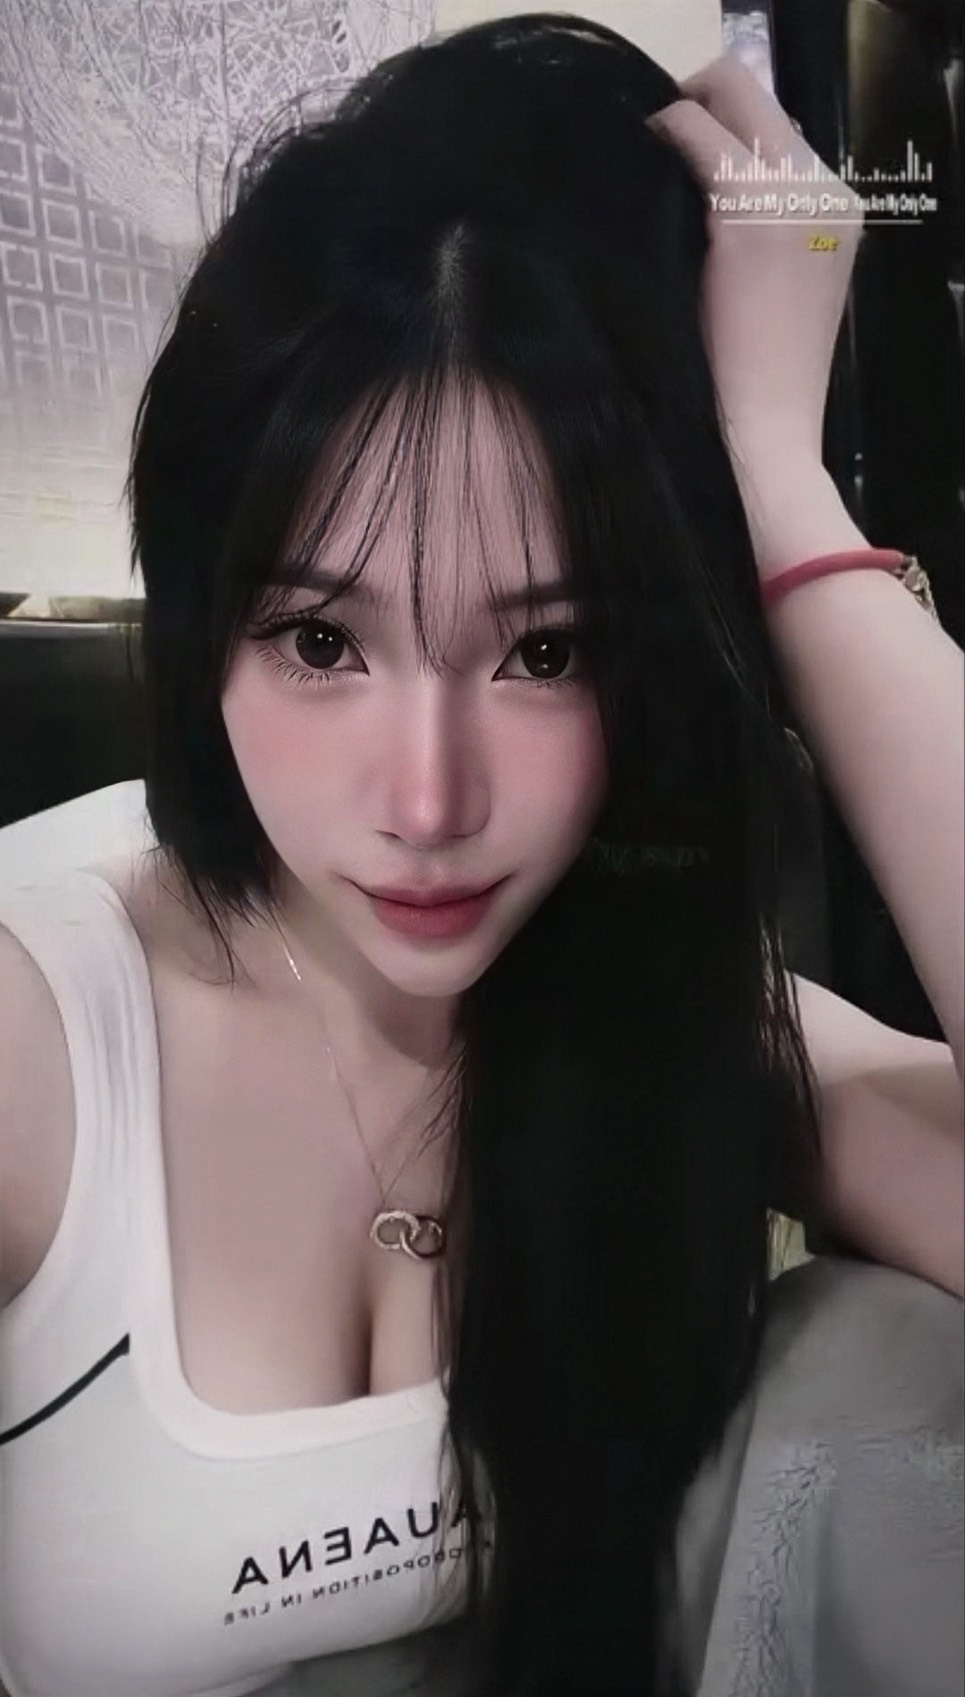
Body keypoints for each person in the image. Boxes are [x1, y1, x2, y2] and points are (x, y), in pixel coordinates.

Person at [0, 16, 962, 1697]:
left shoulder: (654, 1016)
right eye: (320, 641)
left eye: (544, 651)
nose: (428, 799)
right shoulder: (39, 1038)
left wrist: (776, 484)